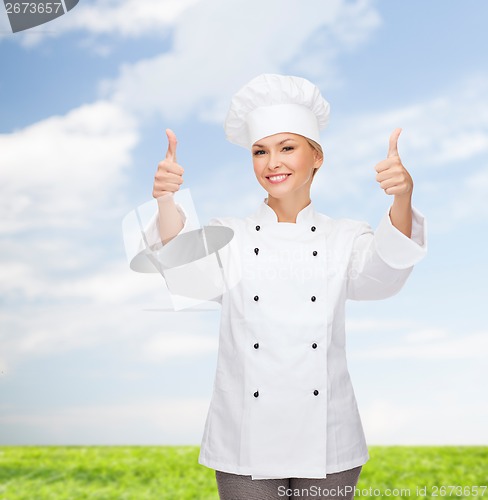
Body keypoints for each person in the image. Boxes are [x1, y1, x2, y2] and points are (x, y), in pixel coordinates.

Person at [138, 74, 428, 499]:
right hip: (245, 440)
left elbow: (384, 275)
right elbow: (184, 272)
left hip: (328, 439)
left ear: (317, 156)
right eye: (260, 151)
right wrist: (166, 201)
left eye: (287, 147)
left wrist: (402, 199)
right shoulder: (229, 235)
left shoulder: (344, 236)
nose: (272, 162)